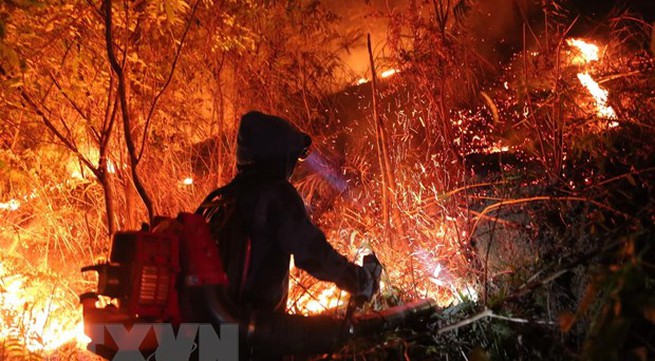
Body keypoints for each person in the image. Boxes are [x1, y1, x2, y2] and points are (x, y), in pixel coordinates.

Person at [196, 111, 380, 359]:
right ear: (277, 155)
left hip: (219, 334)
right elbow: (311, 252)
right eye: (291, 157)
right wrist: (357, 279)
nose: (293, 165)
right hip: (255, 336)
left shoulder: (224, 197)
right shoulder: (276, 193)